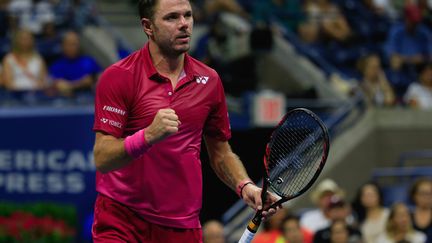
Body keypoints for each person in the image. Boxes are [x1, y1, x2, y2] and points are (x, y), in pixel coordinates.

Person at [91, 0, 278, 242]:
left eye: (187, 16)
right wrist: (147, 136)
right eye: (171, 18)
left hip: (182, 226)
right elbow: (102, 158)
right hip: (123, 218)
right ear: (148, 26)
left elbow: (220, 152)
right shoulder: (119, 77)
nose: (184, 25)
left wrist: (245, 186)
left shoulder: (210, 81)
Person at [49, 31, 100, 97]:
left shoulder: (89, 61)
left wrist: (95, 81)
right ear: (63, 46)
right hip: (67, 102)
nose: (72, 47)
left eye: (75, 44)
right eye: (69, 44)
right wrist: (82, 83)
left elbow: (100, 77)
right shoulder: (57, 65)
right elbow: (61, 86)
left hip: (90, 100)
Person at [409, 177, 432, 243]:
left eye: (430, 193)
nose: (427, 197)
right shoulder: (407, 215)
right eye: (423, 193)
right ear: (414, 195)